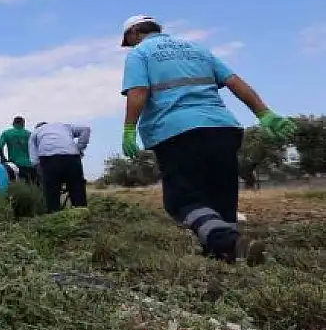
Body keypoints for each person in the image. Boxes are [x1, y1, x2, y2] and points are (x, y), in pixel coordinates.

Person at [119, 14, 297, 265]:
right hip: (223, 128)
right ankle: (231, 254)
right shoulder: (196, 48)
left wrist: (129, 128)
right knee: (221, 197)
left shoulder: (140, 54)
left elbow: (138, 91)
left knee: (182, 200)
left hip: (177, 132)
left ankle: (228, 243)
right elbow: (235, 82)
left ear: (134, 33)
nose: (131, 45)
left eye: (129, 40)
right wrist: (264, 113)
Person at [29, 121, 89, 213]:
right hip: (72, 157)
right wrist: (80, 147)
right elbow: (86, 129)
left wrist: (41, 174)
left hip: (49, 158)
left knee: (52, 193)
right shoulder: (64, 126)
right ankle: (81, 214)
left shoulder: (35, 132)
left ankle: (55, 216)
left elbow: (34, 160)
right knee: (77, 189)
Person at [0, 117, 37, 184]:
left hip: (14, 167)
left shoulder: (7, 133)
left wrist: (2, 158)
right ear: (23, 124)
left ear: (13, 124)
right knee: (32, 188)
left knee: (16, 189)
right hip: (30, 166)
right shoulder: (30, 135)